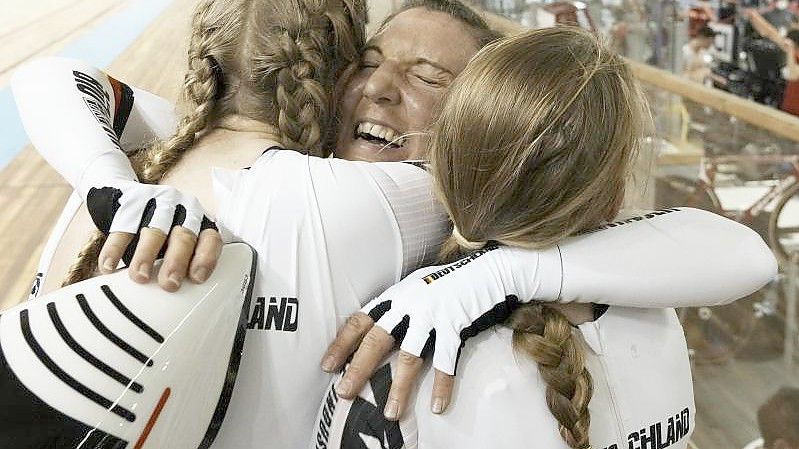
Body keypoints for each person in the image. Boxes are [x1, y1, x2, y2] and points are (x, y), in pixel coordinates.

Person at [11, 1, 776, 448]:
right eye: (368, 63)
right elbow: (733, 252)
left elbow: (51, 82)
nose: (377, 87)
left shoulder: (420, 194)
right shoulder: (368, 191)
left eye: (426, 78)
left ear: (479, 125)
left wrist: (496, 271)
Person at [316, 27, 775, 449]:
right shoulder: (657, 318)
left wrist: (499, 270)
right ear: (615, 193)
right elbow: (744, 254)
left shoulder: (411, 355)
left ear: (443, 170)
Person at [747, 8, 799, 115]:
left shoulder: (792, 51)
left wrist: (790, 51)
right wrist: (756, 18)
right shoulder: (795, 50)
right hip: (789, 107)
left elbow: (793, 75)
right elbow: (772, 34)